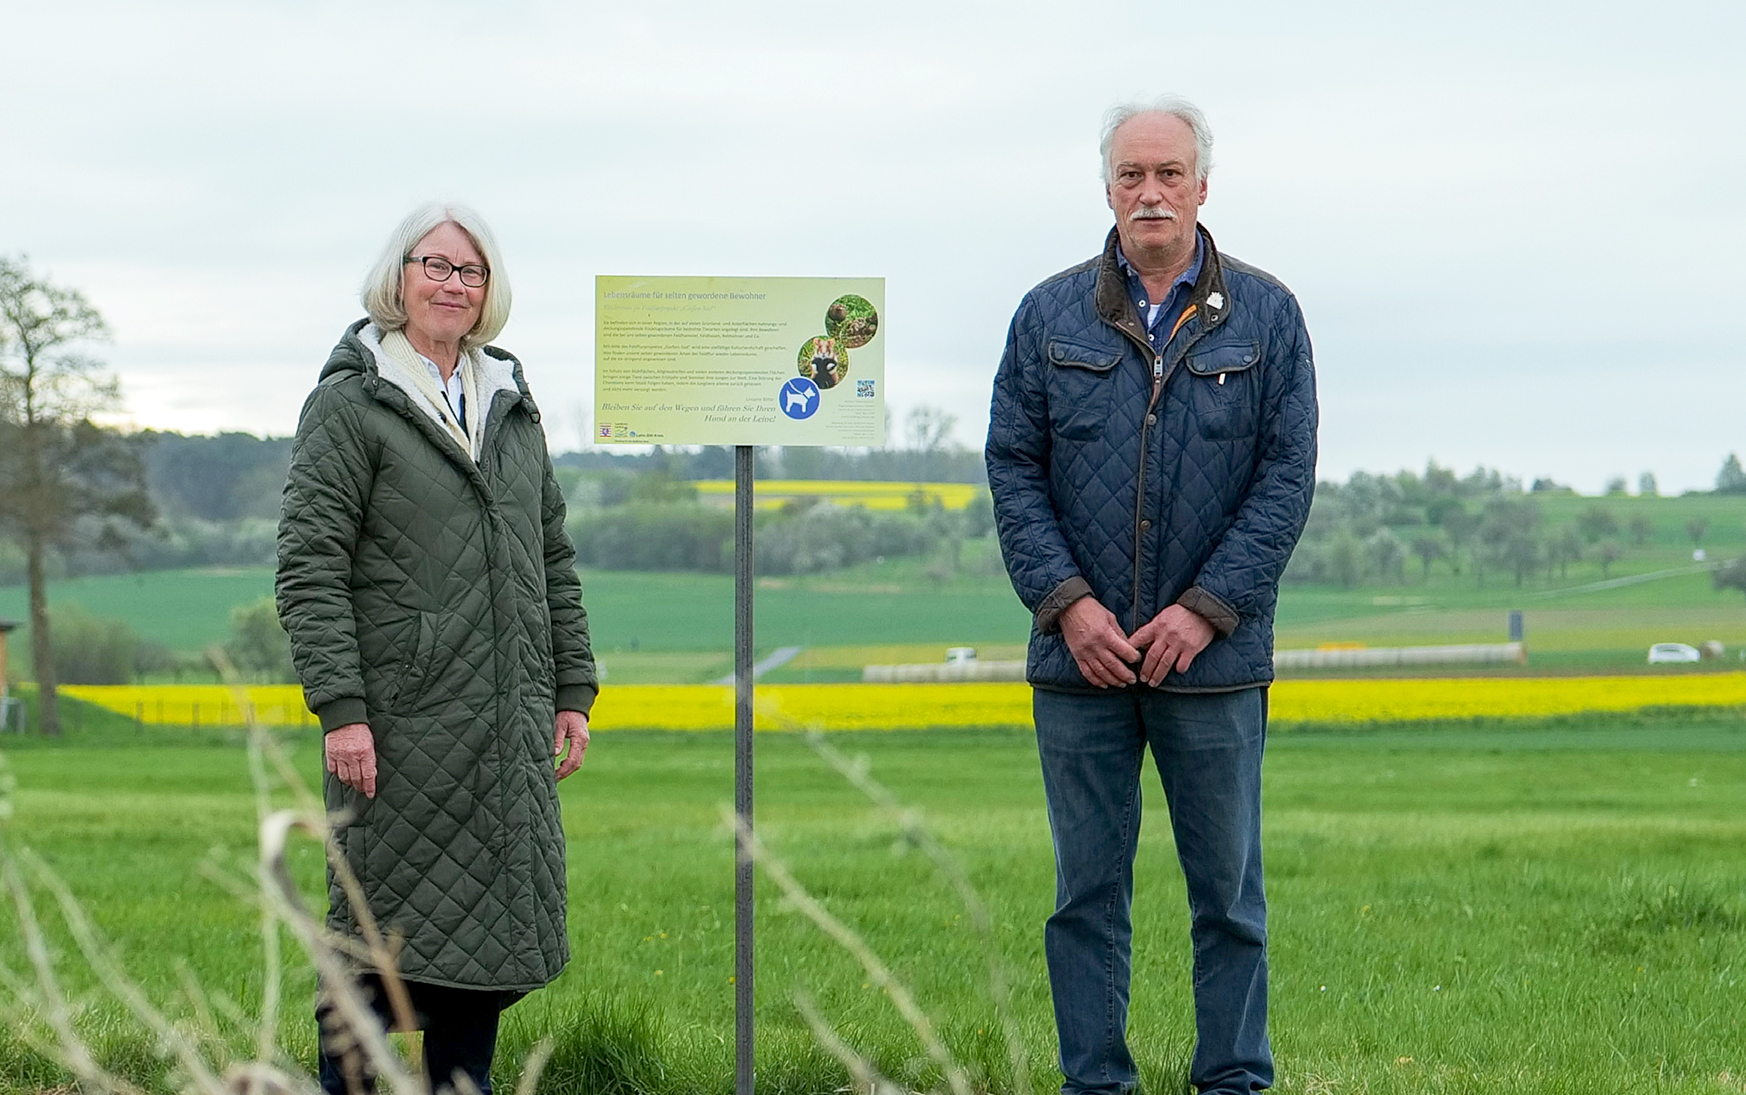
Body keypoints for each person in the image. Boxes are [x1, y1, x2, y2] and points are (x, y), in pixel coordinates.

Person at [985, 98, 1317, 1095]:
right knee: (1085, 898)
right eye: (1132, 175)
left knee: (1228, 902)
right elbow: (1013, 470)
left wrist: (1204, 609)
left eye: (1170, 173)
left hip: (1213, 667)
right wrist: (1069, 606)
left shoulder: (1268, 315)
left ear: (1204, 186)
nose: (1151, 192)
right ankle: (1096, 1083)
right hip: (1079, 667)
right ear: (1108, 188)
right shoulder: (1048, 316)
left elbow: (1285, 478)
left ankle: (1234, 1081)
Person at [276, 202, 598, 1095]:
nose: (453, 284)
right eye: (437, 266)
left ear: (489, 289)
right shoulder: (352, 402)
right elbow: (309, 567)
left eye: (472, 271)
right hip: (395, 730)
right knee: (375, 952)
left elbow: (552, 558)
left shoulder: (511, 401)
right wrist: (342, 710)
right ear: (400, 275)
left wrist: (573, 687)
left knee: (482, 947)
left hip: (502, 727)